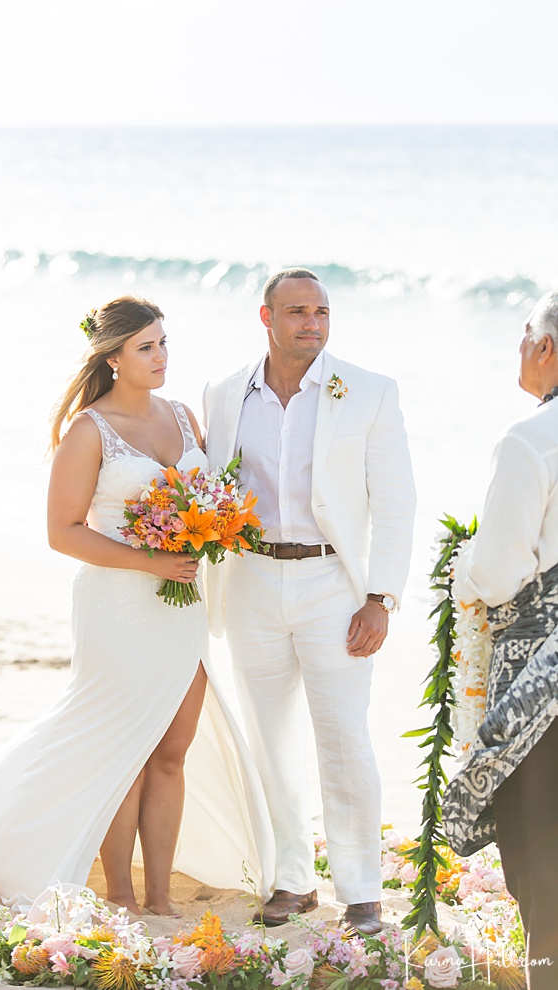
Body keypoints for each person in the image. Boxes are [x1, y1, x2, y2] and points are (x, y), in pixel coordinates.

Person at [0, 295, 274, 914]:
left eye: (164, 342)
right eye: (146, 347)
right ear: (115, 358)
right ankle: (119, 888)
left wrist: (212, 529)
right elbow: (62, 530)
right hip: (117, 605)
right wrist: (150, 560)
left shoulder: (181, 416)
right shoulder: (88, 431)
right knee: (123, 748)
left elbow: (206, 496)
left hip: (182, 606)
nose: (161, 356)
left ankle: (158, 894)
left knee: (171, 750)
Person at [203, 268, 416, 932]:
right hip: (253, 583)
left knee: (344, 739)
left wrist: (380, 597)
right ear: (266, 318)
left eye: (321, 311)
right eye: (297, 311)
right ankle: (291, 879)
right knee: (270, 740)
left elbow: (397, 501)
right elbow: (211, 486)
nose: (312, 324)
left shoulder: (370, 393)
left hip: (335, 588)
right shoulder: (222, 393)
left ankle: (360, 890)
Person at [443, 290, 558, 989]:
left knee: (538, 839)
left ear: (547, 348)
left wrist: (461, 575)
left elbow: (498, 571)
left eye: (525, 335)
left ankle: (547, 973)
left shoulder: (529, 439)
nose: (520, 348)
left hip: (541, 665)